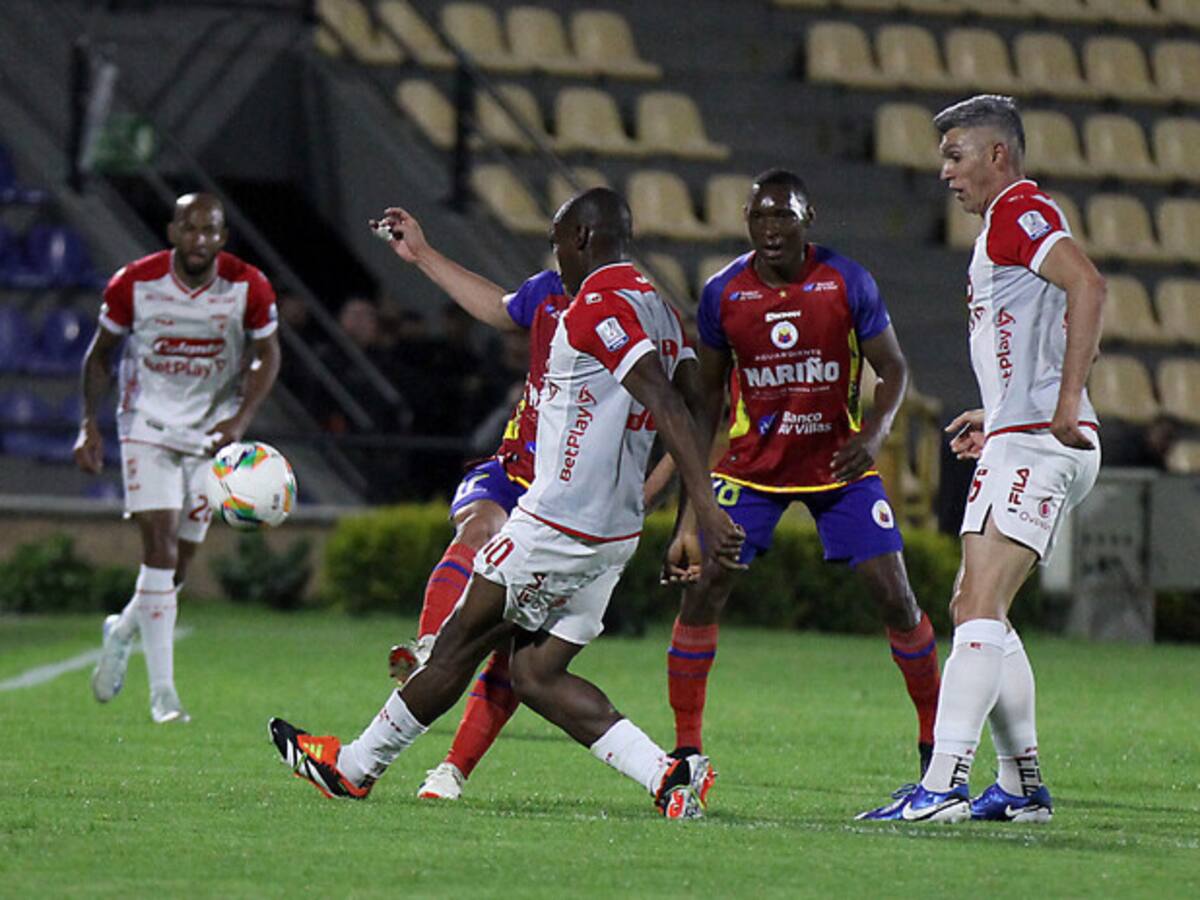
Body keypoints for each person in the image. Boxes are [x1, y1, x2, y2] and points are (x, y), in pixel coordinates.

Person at [268, 187, 745, 819]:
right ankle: (668, 777)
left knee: (460, 641)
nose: (553, 257)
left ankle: (353, 767)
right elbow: (697, 404)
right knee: (537, 675)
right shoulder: (657, 306)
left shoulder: (595, 306)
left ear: (580, 239)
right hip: (613, 533)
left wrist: (705, 512)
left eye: (556, 243)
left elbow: (663, 401)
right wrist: (684, 511)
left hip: (559, 522)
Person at [857, 94, 1104, 823]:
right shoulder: (1012, 220)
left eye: (956, 155)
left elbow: (1088, 285)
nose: (944, 172)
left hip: (1041, 436)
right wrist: (996, 415)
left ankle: (940, 789)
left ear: (999, 155)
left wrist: (1060, 405)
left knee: (977, 611)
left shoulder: (1020, 212)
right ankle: (1022, 787)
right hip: (1021, 429)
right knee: (978, 608)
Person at [661, 168, 942, 775]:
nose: (770, 229)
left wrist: (875, 434)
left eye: (783, 215)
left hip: (839, 466)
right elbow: (705, 404)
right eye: (759, 217)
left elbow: (892, 369)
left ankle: (935, 745)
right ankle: (685, 749)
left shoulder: (846, 280)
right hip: (753, 469)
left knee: (894, 595)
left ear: (807, 218)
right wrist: (689, 515)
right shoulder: (722, 293)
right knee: (704, 587)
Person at [365, 203, 571, 800]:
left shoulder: (629, 314)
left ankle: (452, 770)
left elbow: (671, 404)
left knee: (512, 640)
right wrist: (423, 253)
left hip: (563, 498)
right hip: (512, 468)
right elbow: (498, 307)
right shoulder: (548, 294)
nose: (559, 256)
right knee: (477, 527)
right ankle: (429, 647)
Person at [74, 192, 281, 723]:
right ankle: (164, 695)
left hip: (208, 436)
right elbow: (100, 355)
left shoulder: (247, 286)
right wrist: (88, 425)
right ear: (172, 232)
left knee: (180, 565)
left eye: (210, 230)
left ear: (222, 237)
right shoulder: (134, 283)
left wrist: (237, 422)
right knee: (160, 549)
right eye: (190, 229)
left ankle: (121, 630)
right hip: (145, 425)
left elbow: (268, 354)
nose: (200, 240)